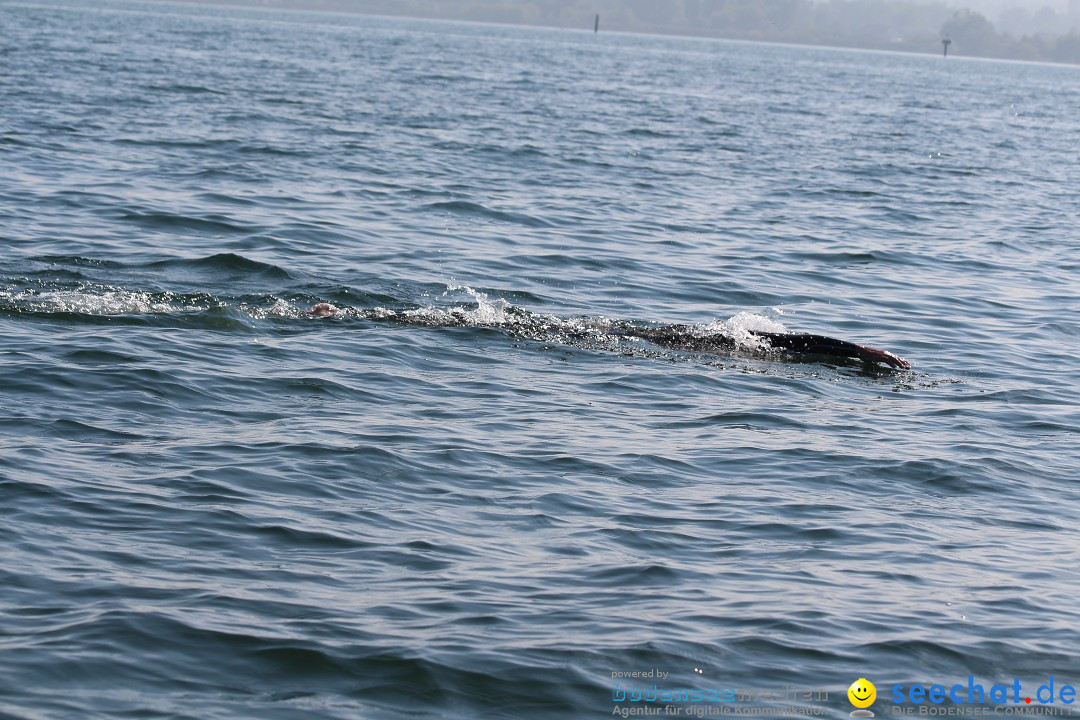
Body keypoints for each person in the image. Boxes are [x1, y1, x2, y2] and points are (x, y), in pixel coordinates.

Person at [308, 303, 910, 369]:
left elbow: (792, 343)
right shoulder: (747, 347)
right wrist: (856, 350)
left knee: (506, 323)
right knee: (510, 326)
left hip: (626, 333)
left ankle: (352, 317)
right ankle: (351, 317)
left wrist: (856, 348)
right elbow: (794, 345)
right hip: (633, 341)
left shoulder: (734, 338)